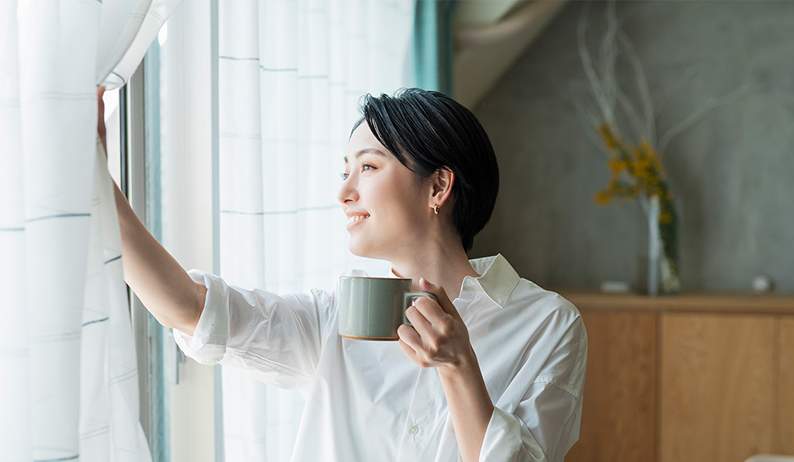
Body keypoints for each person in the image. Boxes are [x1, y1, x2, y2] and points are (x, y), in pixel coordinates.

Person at [97, 86, 587, 462]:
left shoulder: (547, 324)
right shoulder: (334, 316)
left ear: (438, 185)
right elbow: (193, 310)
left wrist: (460, 367)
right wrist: (98, 180)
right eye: (344, 170)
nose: (344, 193)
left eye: (369, 167)